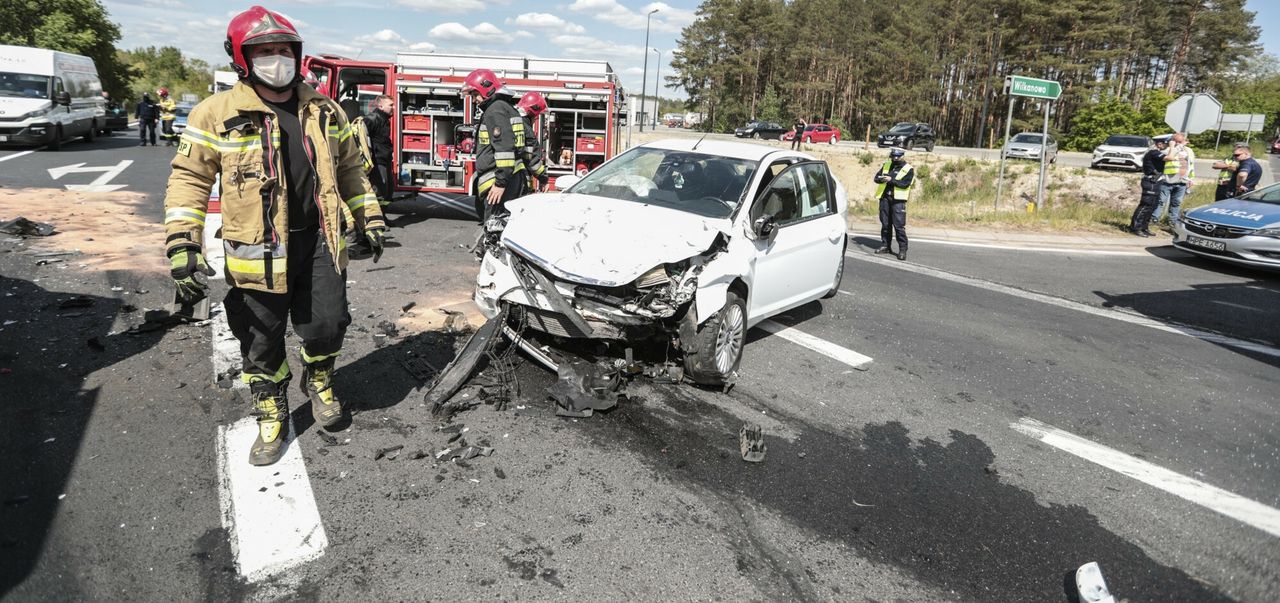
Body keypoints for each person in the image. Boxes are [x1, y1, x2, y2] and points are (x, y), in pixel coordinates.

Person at [163, 5, 386, 466]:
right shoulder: (214, 113)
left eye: (283, 49)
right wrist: (183, 241)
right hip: (258, 246)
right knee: (260, 338)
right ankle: (271, 409)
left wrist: (370, 216)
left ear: (297, 54)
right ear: (241, 58)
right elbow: (189, 179)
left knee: (328, 323)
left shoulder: (325, 110)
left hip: (321, 239)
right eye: (264, 51)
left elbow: (350, 170)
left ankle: (320, 381)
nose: (276, 58)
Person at [463, 68, 526, 222]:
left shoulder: (495, 110)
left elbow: (504, 149)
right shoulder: (504, 107)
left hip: (499, 182)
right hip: (509, 178)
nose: (474, 99)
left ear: (487, 89)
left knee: (494, 228)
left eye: (475, 94)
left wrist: (500, 183)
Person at [873, 147, 913, 260]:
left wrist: (891, 180)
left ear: (902, 156)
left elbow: (905, 184)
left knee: (899, 226)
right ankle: (885, 246)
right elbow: (876, 178)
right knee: (885, 224)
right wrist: (881, 179)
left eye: (897, 157)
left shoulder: (908, 169)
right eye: (893, 157)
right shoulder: (886, 165)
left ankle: (902, 250)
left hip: (898, 201)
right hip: (885, 198)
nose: (894, 159)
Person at [1152, 132, 1195, 227]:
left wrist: (1191, 179)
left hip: (1182, 181)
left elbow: (1191, 165)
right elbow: (1168, 156)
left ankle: (1172, 222)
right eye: (1176, 141)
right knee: (1160, 201)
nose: (1178, 143)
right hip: (1168, 181)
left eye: (1180, 141)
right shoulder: (1168, 149)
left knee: (1176, 203)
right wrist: (1175, 147)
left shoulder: (1189, 150)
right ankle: (1154, 219)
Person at [1128, 136, 1168, 236]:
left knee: (1152, 206)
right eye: (1166, 144)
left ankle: (1144, 227)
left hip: (1156, 181)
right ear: (1159, 144)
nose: (1167, 146)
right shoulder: (1153, 152)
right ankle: (1135, 227)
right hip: (1150, 181)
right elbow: (1169, 158)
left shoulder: (1156, 152)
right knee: (1146, 204)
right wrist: (1172, 146)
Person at [515, 91, 549, 192]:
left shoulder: (512, 120)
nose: (536, 118)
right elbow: (531, 159)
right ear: (531, 112)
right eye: (537, 115)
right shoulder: (526, 129)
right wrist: (543, 179)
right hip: (520, 182)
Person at [364, 94, 395, 203]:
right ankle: (376, 218)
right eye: (390, 105)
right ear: (380, 106)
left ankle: (383, 216)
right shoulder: (372, 119)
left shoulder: (385, 119)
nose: (393, 107)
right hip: (377, 161)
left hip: (384, 160)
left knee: (388, 191)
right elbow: (360, 136)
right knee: (379, 191)